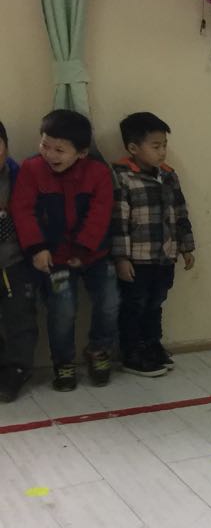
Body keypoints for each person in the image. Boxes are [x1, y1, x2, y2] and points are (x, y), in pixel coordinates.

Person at [11, 109, 118, 391]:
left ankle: (99, 349)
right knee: (62, 309)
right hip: (53, 257)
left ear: (81, 153)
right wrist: (37, 248)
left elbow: (100, 213)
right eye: (44, 145)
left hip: (93, 254)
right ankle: (63, 362)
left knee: (109, 301)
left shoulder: (97, 173)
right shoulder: (31, 169)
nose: (50, 154)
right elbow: (23, 211)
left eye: (59, 150)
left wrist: (83, 250)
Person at [111, 112, 195, 377]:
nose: (162, 152)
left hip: (165, 256)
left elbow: (180, 212)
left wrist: (186, 246)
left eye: (164, 145)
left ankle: (151, 344)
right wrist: (121, 258)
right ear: (133, 148)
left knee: (156, 303)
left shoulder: (169, 175)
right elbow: (119, 221)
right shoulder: (122, 177)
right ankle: (131, 352)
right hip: (137, 259)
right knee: (134, 305)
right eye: (155, 146)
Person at [0, 120, 38, 402]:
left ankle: (18, 368)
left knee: (19, 318)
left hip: (14, 262)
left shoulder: (19, 176)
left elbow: (30, 215)